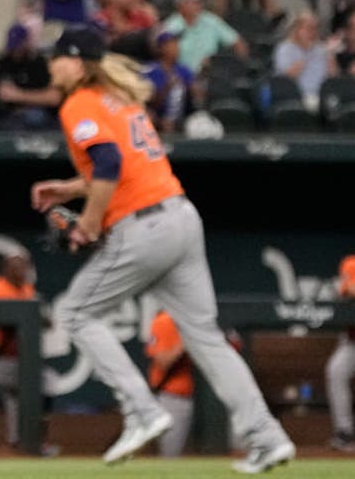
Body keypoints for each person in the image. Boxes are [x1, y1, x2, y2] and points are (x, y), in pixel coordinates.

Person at [31, 27, 294, 472]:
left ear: (75, 63)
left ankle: (142, 410)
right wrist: (72, 189)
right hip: (180, 217)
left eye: (56, 57)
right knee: (207, 338)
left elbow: (110, 163)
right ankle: (268, 438)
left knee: (76, 313)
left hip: (144, 227)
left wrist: (89, 224)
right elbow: (123, 165)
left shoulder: (80, 102)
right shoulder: (119, 98)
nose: (51, 63)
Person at [0, 250, 40, 450]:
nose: (21, 269)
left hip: (24, 358)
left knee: (20, 396)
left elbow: (45, 320)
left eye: (24, 264)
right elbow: (2, 322)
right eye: (16, 265)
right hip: (1, 358)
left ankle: (23, 441)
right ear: (6, 268)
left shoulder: (28, 290)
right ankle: (30, 441)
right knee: (28, 389)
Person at [325, 229, 355, 452]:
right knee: (336, 370)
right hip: (354, 341)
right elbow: (348, 287)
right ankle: (344, 433)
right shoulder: (354, 264)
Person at [160, 0, 248, 73]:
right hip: (181, 77)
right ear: (181, 4)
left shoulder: (211, 21)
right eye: (195, 2)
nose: (199, 5)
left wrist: (237, 69)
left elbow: (238, 42)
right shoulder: (170, 26)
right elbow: (165, 59)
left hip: (210, 76)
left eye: (200, 1)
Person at [147, 310, 194, 458]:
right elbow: (162, 362)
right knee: (169, 457)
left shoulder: (187, 319)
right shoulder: (165, 320)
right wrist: (187, 340)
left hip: (184, 397)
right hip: (169, 397)